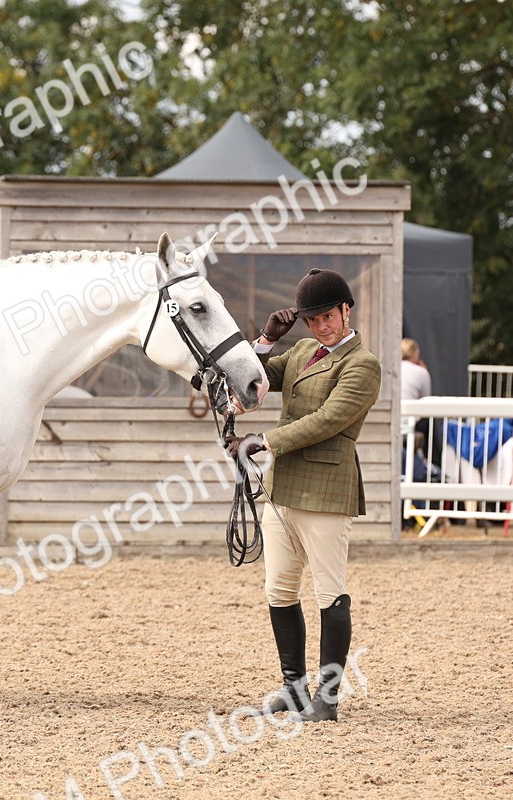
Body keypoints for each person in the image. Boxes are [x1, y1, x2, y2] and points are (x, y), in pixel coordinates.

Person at [224, 268, 381, 723]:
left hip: (326, 491)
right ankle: (294, 688)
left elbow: (328, 420)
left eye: (328, 317)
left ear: (346, 310)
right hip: (282, 488)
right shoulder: (302, 351)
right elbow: (253, 379)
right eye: (312, 321)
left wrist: (263, 442)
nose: (320, 327)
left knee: (329, 593)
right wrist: (266, 341)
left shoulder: (362, 364)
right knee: (279, 591)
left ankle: (327, 699)